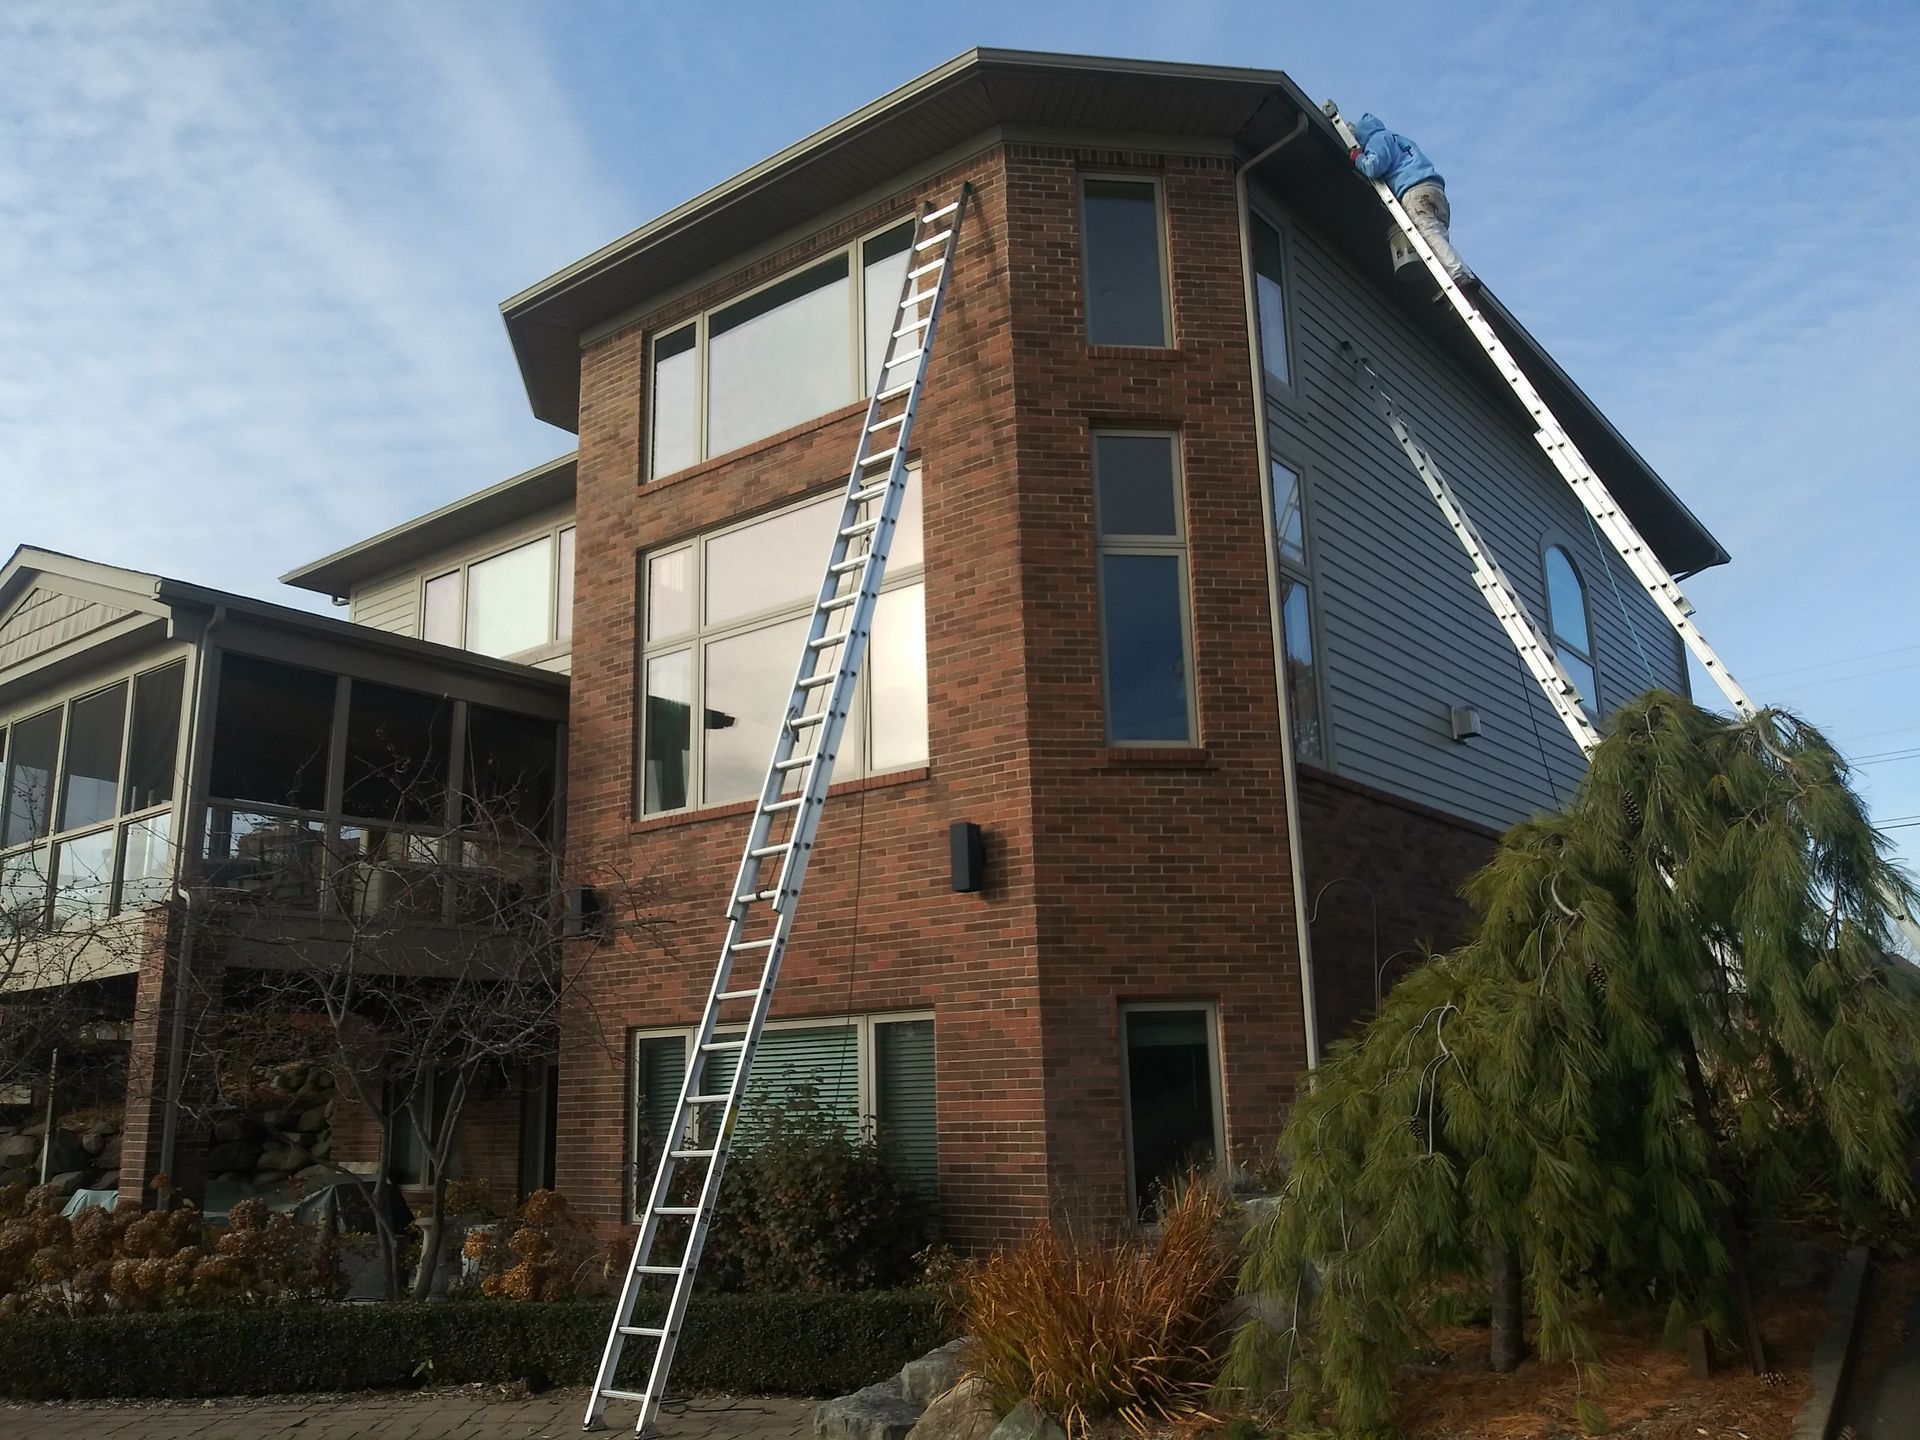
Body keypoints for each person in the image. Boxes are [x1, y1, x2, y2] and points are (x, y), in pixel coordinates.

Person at [1348, 113, 1478, 293]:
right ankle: (1457, 276)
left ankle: (1459, 274)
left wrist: (1358, 158)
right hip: (1435, 190)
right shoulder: (1400, 139)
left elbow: (1373, 166)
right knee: (1438, 237)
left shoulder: (1377, 140)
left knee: (1429, 233)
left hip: (1414, 191)